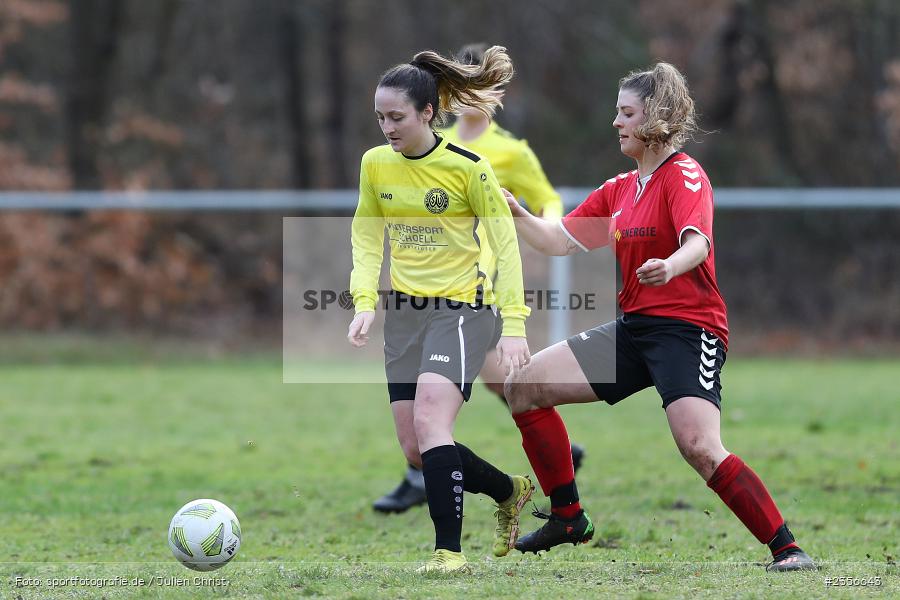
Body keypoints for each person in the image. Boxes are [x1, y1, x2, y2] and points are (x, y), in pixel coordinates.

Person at [503, 63, 816, 572]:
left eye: (626, 112)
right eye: (617, 112)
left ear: (657, 118)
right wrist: (515, 213)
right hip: (634, 330)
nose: (616, 122)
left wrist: (667, 266)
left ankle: (787, 548)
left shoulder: (685, 176)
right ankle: (568, 518)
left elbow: (698, 243)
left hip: (688, 331)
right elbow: (558, 240)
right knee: (524, 387)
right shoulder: (621, 188)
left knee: (699, 446)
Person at [372, 43, 584, 515]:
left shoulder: (509, 152)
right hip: (429, 295)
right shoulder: (421, 139)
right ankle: (433, 468)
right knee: (497, 389)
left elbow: (547, 200)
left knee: (480, 394)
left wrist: (541, 231)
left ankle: (546, 461)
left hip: (479, 288)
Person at [348, 45, 535, 573]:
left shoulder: (468, 169)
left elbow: (507, 245)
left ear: (428, 112)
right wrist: (364, 300)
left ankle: (448, 553)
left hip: (463, 308)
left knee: (433, 421)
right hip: (404, 313)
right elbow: (366, 234)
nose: (387, 127)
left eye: (397, 116)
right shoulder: (374, 164)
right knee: (415, 448)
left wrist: (515, 324)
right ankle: (509, 489)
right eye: (380, 117)